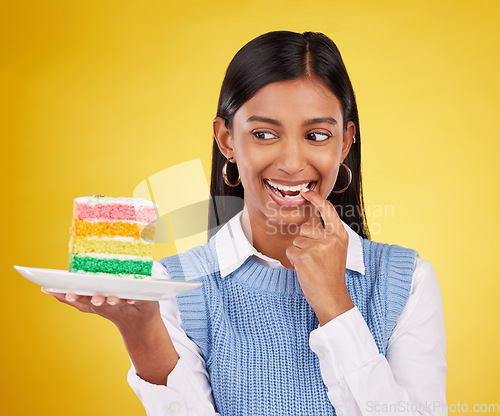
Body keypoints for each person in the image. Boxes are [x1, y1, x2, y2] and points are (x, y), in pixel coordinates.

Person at [45, 31, 447, 415]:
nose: (292, 163)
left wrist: (335, 306)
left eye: (318, 135)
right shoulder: (172, 287)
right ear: (227, 141)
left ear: (344, 143)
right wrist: (141, 331)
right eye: (263, 133)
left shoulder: (406, 282)